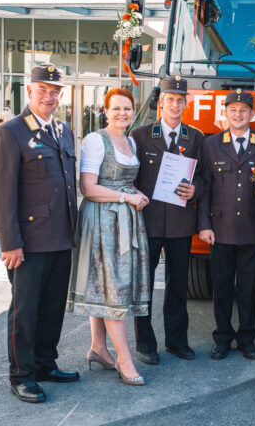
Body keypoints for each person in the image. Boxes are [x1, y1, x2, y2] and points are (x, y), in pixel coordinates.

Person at [0, 64, 79, 404]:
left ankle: (44, 363)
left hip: (60, 237)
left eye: (55, 91)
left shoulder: (63, 131)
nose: (49, 96)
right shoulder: (11, 132)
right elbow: (0, 194)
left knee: (53, 307)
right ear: (29, 91)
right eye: (43, 89)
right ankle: (22, 375)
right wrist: (10, 243)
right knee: (25, 310)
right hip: (28, 241)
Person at [67, 88, 151, 386]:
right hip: (102, 220)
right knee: (113, 287)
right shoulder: (95, 140)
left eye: (127, 108)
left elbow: (126, 181)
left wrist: (135, 194)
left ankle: (99, 348)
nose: (122, 113)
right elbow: (88, 188)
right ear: (105, 111)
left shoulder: (129, 141)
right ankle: (124, 360)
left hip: (124, 218)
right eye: (116, 108)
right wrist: (125, 198)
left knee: (107, 286)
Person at [130, 75, 204, 365]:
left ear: (187, 103)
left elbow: (204, 176)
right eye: (169, 99)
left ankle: (177, 342)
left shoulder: (195, 137)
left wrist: (196, 188)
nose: (175, 104)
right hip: (148, 223)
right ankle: (145, 344)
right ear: (160, 103)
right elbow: (130, 177)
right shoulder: (141, 135)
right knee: (144, 286)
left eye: (180, 100)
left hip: (180, 222)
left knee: (178, 287)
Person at [198, 89, 255, 361]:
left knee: (248, 288)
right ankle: (222, 338)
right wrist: (204, 225)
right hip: (220, 230)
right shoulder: (211, 144)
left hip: (253, 231)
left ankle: (247, 338)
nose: (238, 114)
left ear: (253, 114)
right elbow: (204, 188)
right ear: (225, 113)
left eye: (244, 110)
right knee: (221, 288)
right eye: (233, 109)